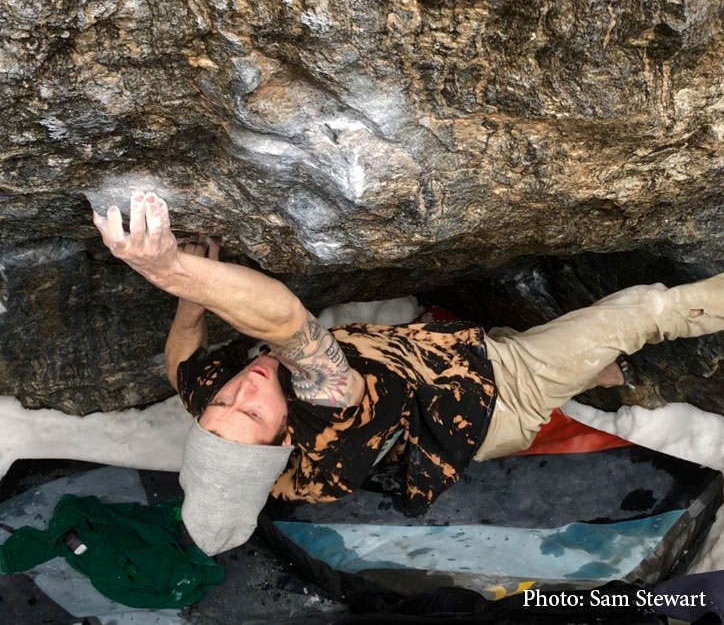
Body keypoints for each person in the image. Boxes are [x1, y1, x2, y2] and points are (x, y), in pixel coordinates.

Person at [93, 191, 724, 555]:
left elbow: (182, 359)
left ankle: (595, 373)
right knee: (643, 312)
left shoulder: (220, 420)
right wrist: (172, 270)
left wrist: (189, 304)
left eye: (221, 403)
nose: (245, 386)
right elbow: (286, 321)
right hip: (495, 393)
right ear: (284, 442)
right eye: (253, 411)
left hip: (427, 364)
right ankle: (592, 367)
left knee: (538, 346)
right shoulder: (330, 425)